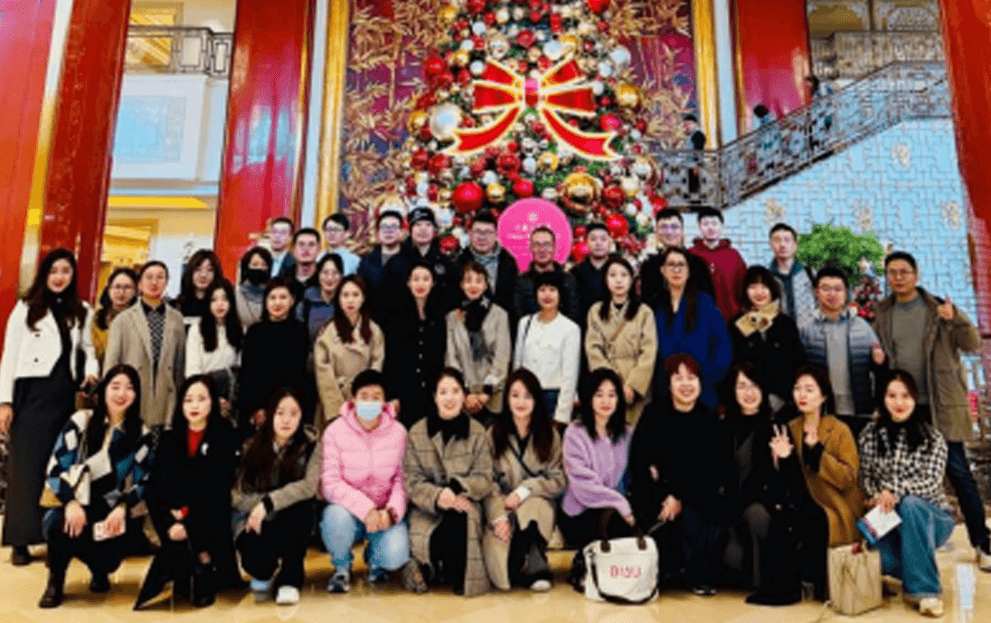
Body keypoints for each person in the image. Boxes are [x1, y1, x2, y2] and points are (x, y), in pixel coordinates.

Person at [873, 251, 991, 570]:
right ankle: (912, 543)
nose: (898, 277)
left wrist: (957, 318)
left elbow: (972, 344)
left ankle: (983, 541)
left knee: (958, 471)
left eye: (904, 271)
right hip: (902, 407)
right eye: (892, 272)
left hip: (940, 405)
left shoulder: (938, 307)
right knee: (901, 474)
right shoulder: (882, 312)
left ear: (916, 274)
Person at [0, 249, 98, 567]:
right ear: (44, 274)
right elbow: (9, 355)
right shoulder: (25, 308)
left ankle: (50, 534)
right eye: (54, 271)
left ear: (73, 276)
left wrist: (91, 372)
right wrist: (4, 401)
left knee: (57, 467)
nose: (59, 277)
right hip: (30, 394)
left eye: (65, 271)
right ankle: (19, 539)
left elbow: (88, 349)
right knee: (25, 467)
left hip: (63, 394)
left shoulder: (82, 310)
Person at [37, 365, 155, 608]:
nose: (121, 394)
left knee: (111, 552)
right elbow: (56, 468)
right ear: (103, 390)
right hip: (74, 503)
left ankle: (100, 569)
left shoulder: (140, 434)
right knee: (60, 525)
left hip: (109, 509)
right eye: (115, 386)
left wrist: (123, 507)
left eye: (129, 388)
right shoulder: (81, 421)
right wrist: (70, 502)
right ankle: (55, 581)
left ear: (136, 395)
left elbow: (144, 480)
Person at [719, 362, 829, 604]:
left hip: (767, 507)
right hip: (730, 507)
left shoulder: (776, 427)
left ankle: (769, 586)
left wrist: (786, 459)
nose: (749, 393)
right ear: (733, 391)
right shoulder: (723, 428)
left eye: (754, 386)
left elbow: (794, 485)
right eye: (742, 386)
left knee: (761, 513)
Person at [630, 354, 732, 595]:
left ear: (700, 382)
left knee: (702, 510)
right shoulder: (654, 414)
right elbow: (640, 463)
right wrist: (666, 494)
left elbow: (713, 472)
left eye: (692, 378)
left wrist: (678, 495)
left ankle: (697, 574)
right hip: (658, 497)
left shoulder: (709, 420)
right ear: (668, 384)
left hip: (695, 497)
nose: (686, 384)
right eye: (678, 378)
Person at [136, 375, 239, 609]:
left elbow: (218, 491)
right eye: (188, 400)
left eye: (201, 399)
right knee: (174, 551)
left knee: (210, 516)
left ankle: (204, 565)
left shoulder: (225, 436)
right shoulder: (169, 438)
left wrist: (188, 523)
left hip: (208, 520)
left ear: (213, 402)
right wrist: (168, 523)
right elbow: (154, 489)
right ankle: (187, 569)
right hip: (173, 521)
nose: (194, 405)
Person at [858, 370, 953, 617]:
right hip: (888, 517)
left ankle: (926, 592)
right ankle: (914, 570)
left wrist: (894, 492)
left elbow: (931, 483)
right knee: (874, 551)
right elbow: (865, 478)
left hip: (932, 516)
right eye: (892, 396)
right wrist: (878, 495)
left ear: (915, 398)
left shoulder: (932, 437)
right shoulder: (869, 435)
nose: (899, 403)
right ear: (883, 398)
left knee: (910, 504)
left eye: (906, 396)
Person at [402, 368, 494, 596]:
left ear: (464, 395)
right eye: (443, 392)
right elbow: (411, 480)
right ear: (435, 397)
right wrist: (438, 496)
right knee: (427, 537)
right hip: (428, 507)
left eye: (455, 391)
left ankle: (449, 570)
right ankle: (426, 567)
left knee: (461, 518)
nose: (449, 398)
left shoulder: (477, 432)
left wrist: (457, 488)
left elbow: (485, 477)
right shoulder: (417, 432)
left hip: (464, 503)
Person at [320, 370, 409, 593]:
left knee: (396, 555)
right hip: (348, 512)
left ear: (385, 402)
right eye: (364, 396)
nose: (370, 402)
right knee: (334, 519)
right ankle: (342, 567)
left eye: (376, 397)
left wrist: (390, 513)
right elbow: (329, 483)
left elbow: (402, 482)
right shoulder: (334, 432)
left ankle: (376, 559)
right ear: (353, 400)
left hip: (383, 512)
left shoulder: (399, 433)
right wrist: (365, 508)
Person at [233, 387, 321, 605]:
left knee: (303, 506)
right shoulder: (251, 446)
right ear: (270, 414)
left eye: (294, 413)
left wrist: (269, 503)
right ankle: (267, 571)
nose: (286, 420)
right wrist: (260, 508)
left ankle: (290, 578)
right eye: (280, 413)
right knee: (257, 564)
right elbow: (238, 495)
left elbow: (308, 486)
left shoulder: (311, 445)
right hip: (256, 521)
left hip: (290, 519)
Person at [483, 369, 565, 591]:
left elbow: (558, 479)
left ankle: (536, 561)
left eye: (528, 396)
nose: (521, 402)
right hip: (504, 510)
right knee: (503, 573)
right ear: (506, 398)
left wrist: (524, 491)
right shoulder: (493, 434)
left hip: (537, 508)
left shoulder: (549, 435)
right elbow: (486, 481)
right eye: (515, 395)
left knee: (534, 505)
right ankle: (523, 558)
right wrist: (499, 515)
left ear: (536, 400)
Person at [559, 367, 634, 589]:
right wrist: (621, 504)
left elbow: (636, 472)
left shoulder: (627, 433)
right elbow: (584, 486)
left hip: (617, 511)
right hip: (580, 511)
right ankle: (585, 565)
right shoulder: (575, 432)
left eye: (612, 395)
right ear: (589, 397)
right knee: (614, 522)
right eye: (599, 394)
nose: (606, 401)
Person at [800, 266, 884, 438]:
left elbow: (879, 368)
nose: (832, 294)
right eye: (825, 288)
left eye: (838, 289)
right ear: (816, 292)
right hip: (821, 410)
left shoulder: (862, 327)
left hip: (858, 409)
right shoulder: (805, 327)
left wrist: (880, 362)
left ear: (846, 293)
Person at [785, 365, 863, 547]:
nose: (802, 395)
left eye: (809, 390)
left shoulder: (839, 429)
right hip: (798, 504)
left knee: (812, 521)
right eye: (797, 388)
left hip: (833, 508)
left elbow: (848, 479)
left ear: (824, 396)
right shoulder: (790, 428)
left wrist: (818, 452)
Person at [103, 260, 186, 427]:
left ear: (167, 282)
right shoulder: (123, 320)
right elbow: (111, 365)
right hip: (131, 398)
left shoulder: (177, 319)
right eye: (149, 277)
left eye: (160, 277)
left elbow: (180, 366)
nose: (154, 282)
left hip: (165, 399)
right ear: (139, 284)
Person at [651, 247, 732, 410]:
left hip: (702, 388)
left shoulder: (704, 302)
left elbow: (722, 345)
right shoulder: (656, 305)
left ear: (689, 271)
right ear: (663, 270)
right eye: (671, 265)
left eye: (681, 265)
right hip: (666, 390)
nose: (676, 270)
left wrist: (704, 378)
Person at [585, 257, 657, 425]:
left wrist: (633, 386)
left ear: (632, 280)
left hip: (637, 386)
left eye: (624, 275)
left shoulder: (644, 312)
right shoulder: (595, 311)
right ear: (605, 280)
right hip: (606, 387)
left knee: (637, 431)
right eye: (613, 275)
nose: (618, 280)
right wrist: (612, 385)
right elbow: (593, 349)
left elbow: (649, 351)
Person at [729, 266, 806, 408]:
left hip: (784, 399)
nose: (759, 292)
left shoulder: (786, 323)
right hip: (749, 399)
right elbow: (734, 364)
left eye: (764, 286)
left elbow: (798, 361)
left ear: (772, 289)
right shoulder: (738, 324)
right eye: (753, 287)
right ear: (745, 291)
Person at [238, 278, 310, 431]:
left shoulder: (300, 331)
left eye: (283, 297)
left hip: (288, 406)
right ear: (265, 302)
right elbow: (248, 375)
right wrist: (256, 408)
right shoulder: (254, 332)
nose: (277, 302)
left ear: (292, 300)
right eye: (272, 297)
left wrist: (286, 408)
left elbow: (298, 375)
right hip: (258, 408)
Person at [314, 275, 385, 430]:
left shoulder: (374, 331)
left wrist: (365, 398)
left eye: (355, 295)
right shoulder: (327, 332)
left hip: (364, 401)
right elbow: (322, 371)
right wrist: (337, 406)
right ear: (338, 299)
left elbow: (376, 366)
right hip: (335, 399)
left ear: (363, 298)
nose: (350, 300)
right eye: (345, 295)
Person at [446, 262, 512, 424]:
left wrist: (486, 393)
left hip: (492, 397)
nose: (473, 285)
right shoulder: (453, 317)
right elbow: (451, 357)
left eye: (478, 280)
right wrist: (465, 393)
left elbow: (502, 356)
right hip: (463, 398)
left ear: (486, 284)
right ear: (462, 285)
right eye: (468, 280)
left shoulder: (499, 314)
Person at [384, 260, 447, 428]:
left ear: (433, 283)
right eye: (416, 279)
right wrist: (392, 394)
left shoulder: (440, 315)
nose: (420, 284)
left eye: (426, 279)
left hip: (432, 391)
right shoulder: (395, 315)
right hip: (405, 391)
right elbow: (391, 357)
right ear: (408, 282)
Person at [513, 271, 581, 426]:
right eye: (542, 290)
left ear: (560, 294)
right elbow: (517, 364)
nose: (547, 295)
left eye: (552, 290)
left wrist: (562, 415)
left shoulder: (570, 328)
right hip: (526, 395)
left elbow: (570, 376)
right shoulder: (525, 323)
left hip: (553, 397)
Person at [185, 280, 242, 418]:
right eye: (214, 300)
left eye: (224, 299)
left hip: (229, 400)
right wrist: (213, 398)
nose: (219, 304)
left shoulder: (238, 331)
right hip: (202, 397)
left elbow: (238, 370)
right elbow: (193, 371)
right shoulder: (197, 330)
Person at [639, 208, 715, 307]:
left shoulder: (698, 264)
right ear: (657, 231)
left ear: (682, 230)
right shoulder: (649, 266)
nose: (669, 232)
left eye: (674, 227)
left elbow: (709, 302)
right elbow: (646, 304)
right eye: (664, 227)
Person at [457, 209, 518, 325]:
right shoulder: (459, 262)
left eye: (488, 232)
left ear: (496, 235)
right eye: (478, 232)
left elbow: (514, 301)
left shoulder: (508, 262)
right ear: (470, 234)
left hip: (503, 326)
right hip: (468, 325)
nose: (482, 237)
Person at [689, 207, 747, 320]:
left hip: (731, 318)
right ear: (699, 227)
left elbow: (743, 287)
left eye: (714, 223)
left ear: (722, 226)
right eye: (705, 224)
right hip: (699, 318)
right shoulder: (691, 254)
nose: (710, 228)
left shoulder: (733, 255)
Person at [513, 226, 580, 323]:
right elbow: (519, 316)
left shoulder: (568, 279)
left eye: (547, 244)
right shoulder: (521, 281)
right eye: (537, 245)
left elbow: (573, 314)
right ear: (531, 248)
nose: (542, 249)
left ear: (554, 247)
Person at [401, 206, 459, 312]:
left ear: (434, 231)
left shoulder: (446, 262)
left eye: (428, 225)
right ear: (410, 229)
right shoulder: (397, 260)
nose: (423, 229)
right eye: (418, 225)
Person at [357, 210, 410, 324]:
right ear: (377, 233)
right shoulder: (366, 262)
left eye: (393, 227)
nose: (388, 231)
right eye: (384, 227)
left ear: (401, 232)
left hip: (403, 322)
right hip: (372, 322)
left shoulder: (410, 260)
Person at [767, 223, 816, 329]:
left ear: (795, 245)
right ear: (770, 244)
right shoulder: (767, 277)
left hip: (810, 334)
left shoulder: (810, 273)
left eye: (787, 240)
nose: (782, 245)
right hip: (781, 335)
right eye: (777, 240)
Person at [90, 267, 138, 364]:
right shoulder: (97, 318)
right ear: (109, 289)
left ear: (135, 291)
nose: (121, 292)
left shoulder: (140, 319)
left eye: (127, 287)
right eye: (117, 287)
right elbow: (92, 351)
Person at [569, 222, 610, 327]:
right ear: (586, 242)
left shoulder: (619, 270)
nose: (598, 243)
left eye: (603, 239)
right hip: (584, 327)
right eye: (593, 239)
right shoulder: (575, 272)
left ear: (610, 242)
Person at [297, 252, 343, 342]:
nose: (330, 278)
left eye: (335, 273)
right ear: (318, 274)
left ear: (341, 276)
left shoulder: (345, 302)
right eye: (325, 272)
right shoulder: (307, 300)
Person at [174, 249, 224, 326]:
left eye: (209, 270)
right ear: (190, 272)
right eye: (198, 269)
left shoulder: (221, 306)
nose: (203, 275)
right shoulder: (176, 306)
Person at [236, 246, 272, 331]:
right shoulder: (236, 296)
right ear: (246, 267)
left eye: (264, 265)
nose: (259, 268)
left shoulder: (273, 295)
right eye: (255, 264)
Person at [280, 228, 322, 299]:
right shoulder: (283, 279)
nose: (306, 249)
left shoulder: (325, 278)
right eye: (301, 244)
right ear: (293, 250)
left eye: (311, 244)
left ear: (319, 250)